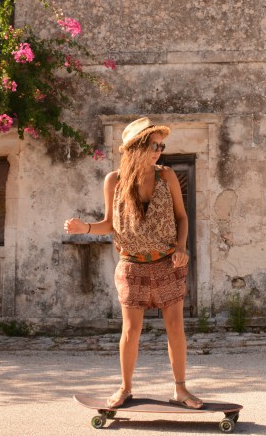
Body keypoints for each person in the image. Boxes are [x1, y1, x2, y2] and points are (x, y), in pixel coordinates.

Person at [64, 117, 204, 410]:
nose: (159, 151)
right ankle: (125, 388)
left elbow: (182, 217)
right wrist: (85, 228)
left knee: (175, 327)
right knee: (131, 330)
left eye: (161, 146)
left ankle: (181, 389)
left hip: (167, 263)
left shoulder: (167, 176)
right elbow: (109, 224)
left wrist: (181, 247)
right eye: (155, 146)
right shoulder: (114, 181)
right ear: (137, 147)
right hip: (131, 265)